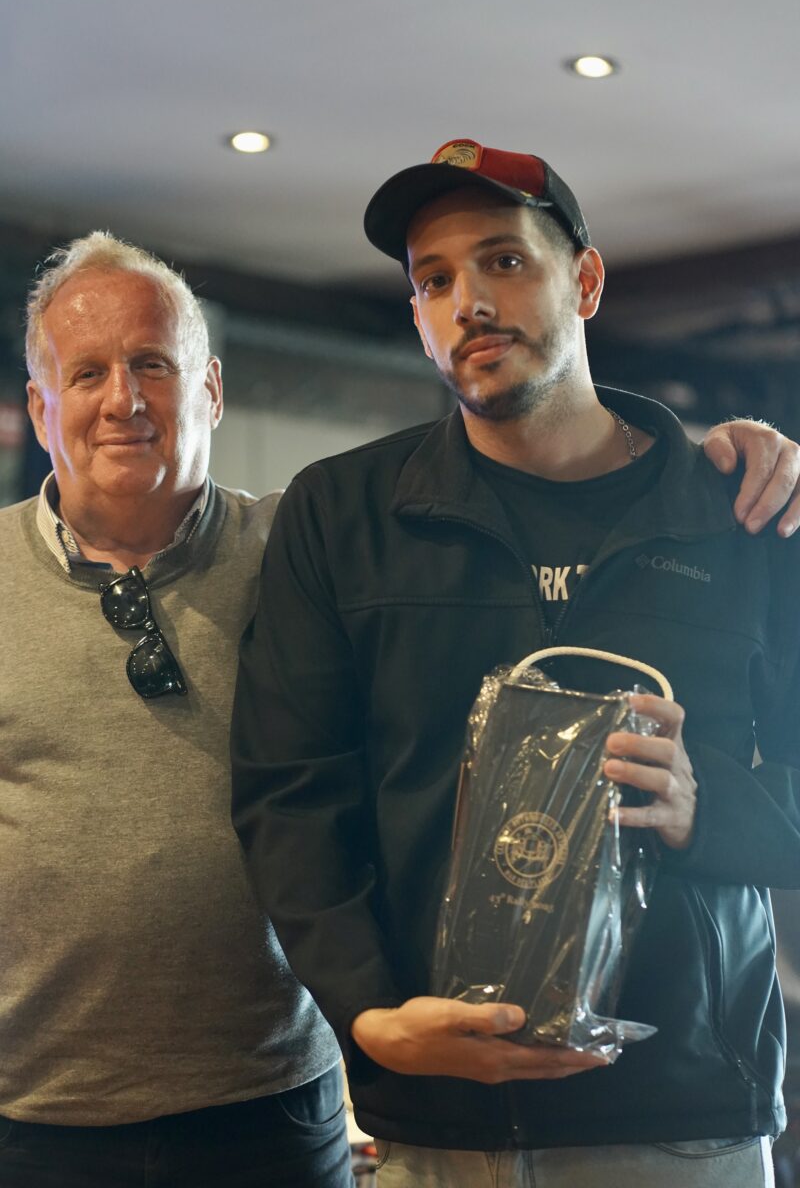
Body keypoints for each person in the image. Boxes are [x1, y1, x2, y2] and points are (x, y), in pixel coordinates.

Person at [230, 139, 800, 1188]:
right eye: (433, 281)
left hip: (682, 1111)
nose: (469, 304)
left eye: (503, 261)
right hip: (435, 1115)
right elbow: (289, 792)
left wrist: (704, 806)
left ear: (583, 281)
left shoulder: (744, 514)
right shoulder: (342, 514)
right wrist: (368, 1014)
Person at [0, 232, 353, 1188]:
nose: (123, 399)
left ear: (211, 389)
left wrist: (702, 465)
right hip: (33, 1121)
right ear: (41, 407)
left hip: (272, 1107)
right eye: (87, 373)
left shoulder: (301, 555)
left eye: (152, 364)